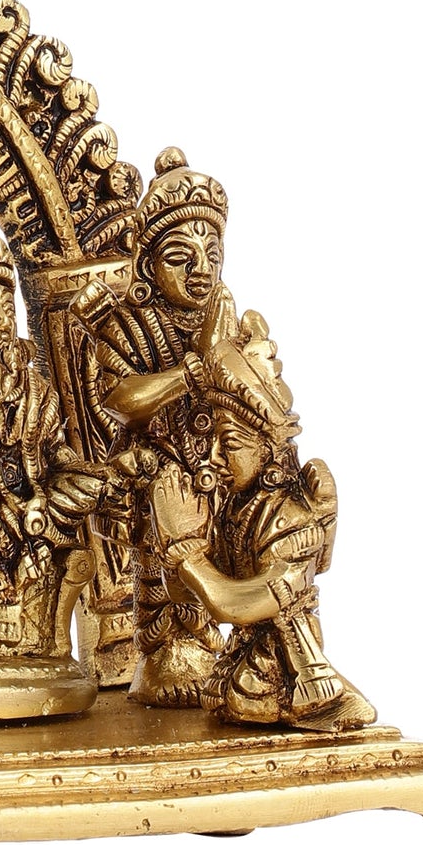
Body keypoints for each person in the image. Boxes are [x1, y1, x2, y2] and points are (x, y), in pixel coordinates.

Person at [148, 313, 376, 731]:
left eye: (229, 443)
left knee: (247, 698)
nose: (214, 457)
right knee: (226, 697)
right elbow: (188, 593)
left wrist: (186, 551)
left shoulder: (291, 516)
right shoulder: (234, 507)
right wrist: (173, 532)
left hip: (281, 664)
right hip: (240, 656)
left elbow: (237, 605)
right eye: (212, 442)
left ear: (268, 447)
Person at [71, 147, 232, 704]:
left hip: (219, 463)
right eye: (181, 256)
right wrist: (187, 375)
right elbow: (121, 399)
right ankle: (163, 653)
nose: (200, 269)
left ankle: (231, 645)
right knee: (163, 563)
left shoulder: (223, 321)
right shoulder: (128, 326)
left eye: (212, 254)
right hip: (155, 464)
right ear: (148, 264)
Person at [0, 208, 106, 654]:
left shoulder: (35, 385)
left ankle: (40, 549)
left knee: (92, 484)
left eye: (6, 313)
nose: (1, 328)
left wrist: (72, 471)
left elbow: (54, 447)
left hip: (38, 500)